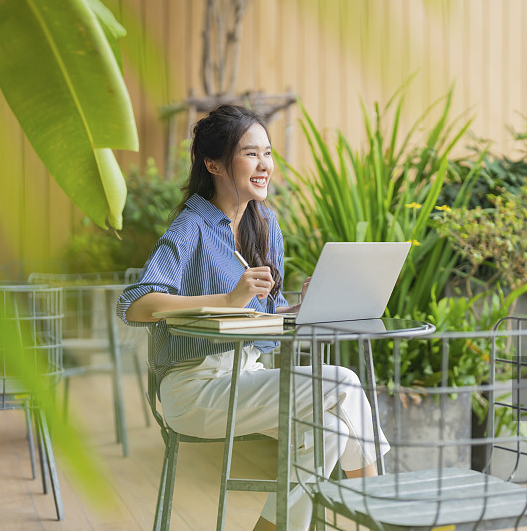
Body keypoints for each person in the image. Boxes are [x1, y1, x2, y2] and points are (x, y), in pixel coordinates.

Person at [117, 105, 389, 531]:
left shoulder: (264, 224)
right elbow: (136, 304)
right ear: (213, 164)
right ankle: (381, 519)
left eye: (267, 153)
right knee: (344, 382)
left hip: (245, 377)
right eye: (250, 154)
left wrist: (299, 310)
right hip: (193, 388)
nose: (264, 165)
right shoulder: (192, 226)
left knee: (329, 431)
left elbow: (259, 314)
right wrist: (228, 299)